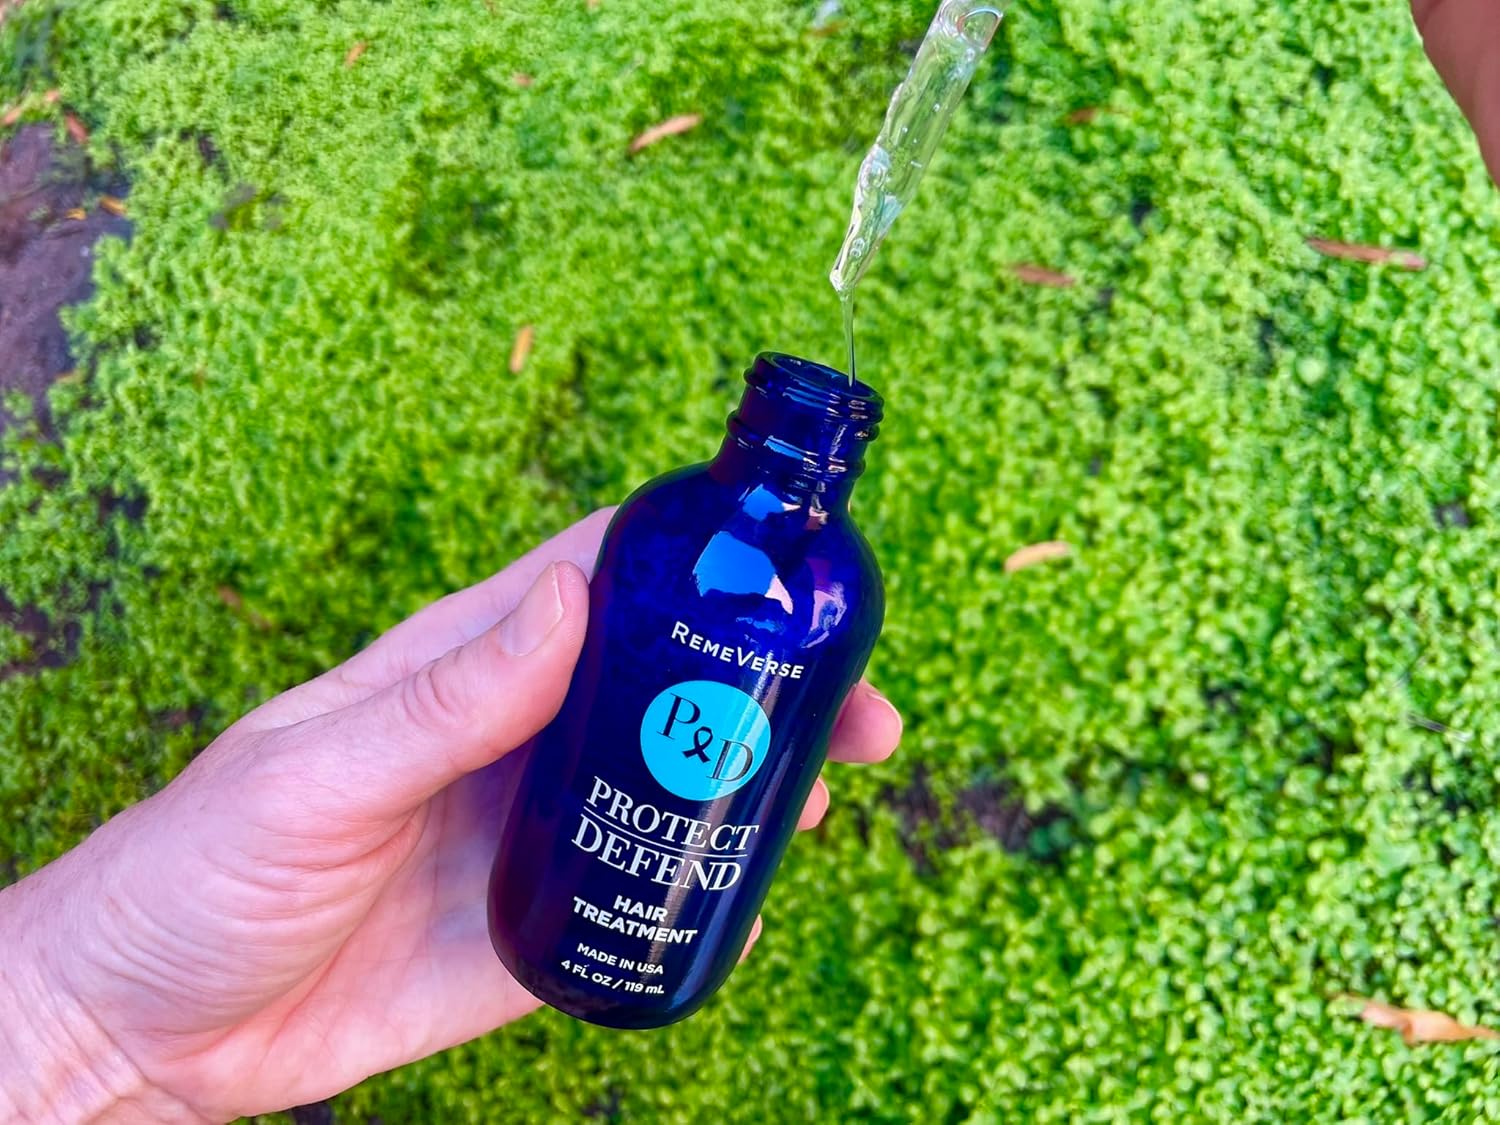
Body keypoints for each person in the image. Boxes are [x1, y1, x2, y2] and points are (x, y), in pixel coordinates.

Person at [0, 2, 1492, 1119]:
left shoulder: (830, 586)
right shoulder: (675, 527)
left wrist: (80, 1033)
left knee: (739, 795)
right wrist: (71, 1022)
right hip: (342, 945)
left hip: (172, 1021)